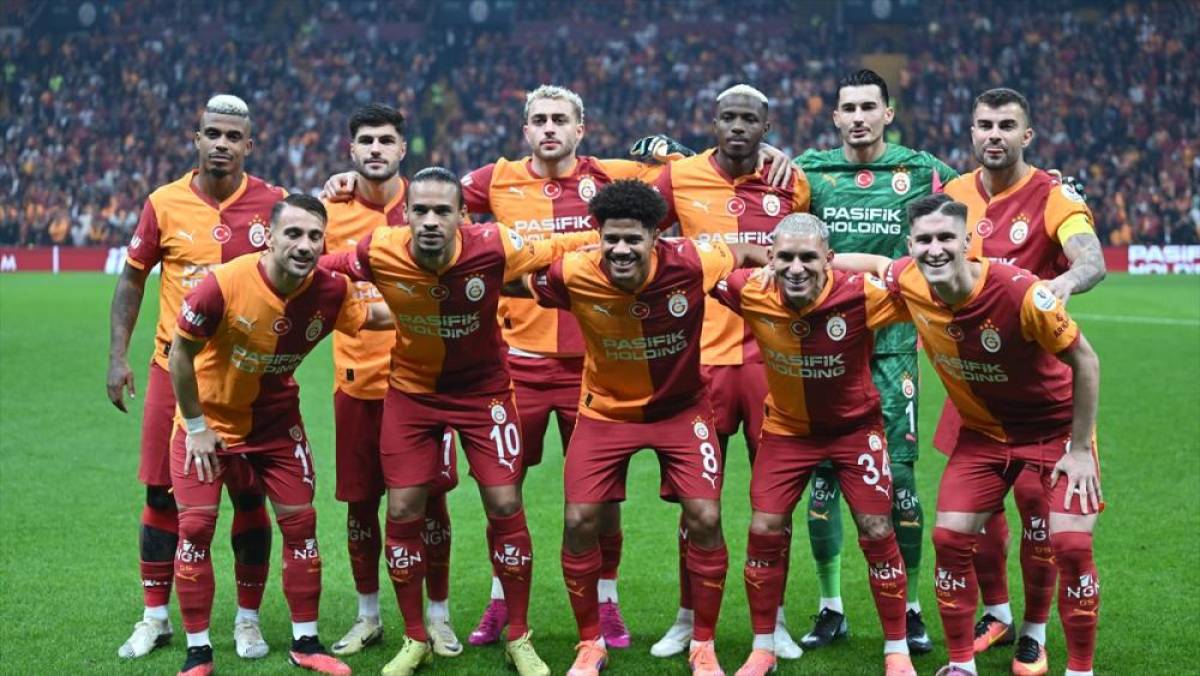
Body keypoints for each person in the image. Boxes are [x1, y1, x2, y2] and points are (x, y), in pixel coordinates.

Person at [319, 166, 599, 676]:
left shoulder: (495, 244)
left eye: (442, 211)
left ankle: (519, 637)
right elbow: (320, 264)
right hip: (412, 396)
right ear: (405, 216)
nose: (430, 220)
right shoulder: (379, 248)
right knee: (403, 508)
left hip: (483, 394)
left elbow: (559, 246)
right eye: (421, 211)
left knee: (505, 503)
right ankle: (415, 638)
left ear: (462, 216)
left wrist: (610, 234)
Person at [839, 193, 1103, 676]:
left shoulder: (1023, 293)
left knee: (1071, 547)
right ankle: (961, 664)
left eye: (946, 238)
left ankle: (1079, 669)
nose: (935, 249)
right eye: (924, 240)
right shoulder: (910, 278)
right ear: (910, 245)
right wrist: (814, 259)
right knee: (949, 538)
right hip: (983, 434)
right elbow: (875, 264)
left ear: (967, 242)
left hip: (1053, 430)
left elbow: (1086, 361)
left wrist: (1082, 449)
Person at [520, 179, 768, 676]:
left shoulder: (694, 261)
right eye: (611, 238)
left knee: (705, 517)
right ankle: (589, 643)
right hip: (605, 412)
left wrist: (777, 278)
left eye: (633, 238)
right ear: (598, 236)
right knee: (578, 521)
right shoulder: (574, 271)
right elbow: (517, 282)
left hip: (681, 411)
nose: (620, 249)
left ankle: (703, 645)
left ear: (657, 236)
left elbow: (746, 251)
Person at [168, 194, 395, 676]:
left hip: (276, 425)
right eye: (293, 233)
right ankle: (198, 652)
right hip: (209, 424)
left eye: (314, 236)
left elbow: (373, 318)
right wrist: (197, 426)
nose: (305, 245)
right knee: (196, 528)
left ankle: (306, 643)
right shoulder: (223, 284)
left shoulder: (332, 291)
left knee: (301, 525)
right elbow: (179, 354)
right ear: (268, 237)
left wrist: (431, 306)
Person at [107, 94, 283, 661]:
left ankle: (248, 621)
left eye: (233, 136)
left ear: (249, 144)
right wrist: (117, 356)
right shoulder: (164, 203)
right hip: (173, 371)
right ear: (197, 138)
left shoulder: (274, 203)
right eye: (213, 134)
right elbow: (133, 279)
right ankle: (155, 617)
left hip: (246, 379)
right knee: (161, 492)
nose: (222, 144)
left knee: (249, 496)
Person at [939, 88, 1105, 676]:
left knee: (1041, 521)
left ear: (1026, 136)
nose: (994, 135)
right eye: (985, 124)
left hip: (1040, 390)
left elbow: (1091, 258)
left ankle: (1033, 632)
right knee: (976, 519)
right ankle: (998, 613)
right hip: (975, 385)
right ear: (971, 131)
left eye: (1006, 125)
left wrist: (1063, 284)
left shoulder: (1053, 195)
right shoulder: (953, 194)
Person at [792, 69, 958, 654]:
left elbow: (984, 197)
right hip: (822, 348)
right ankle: (831, 606)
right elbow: (756, 203)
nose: (858, 117)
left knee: (901, 479)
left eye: (869, 107)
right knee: (822, 480)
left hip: (892, 348)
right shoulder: (808, 172)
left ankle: (910, 609)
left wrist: (1051, 179)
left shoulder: (922, 170)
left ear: (888, 113)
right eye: (849, 108)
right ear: (834, 116)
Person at [711, 213, 917, 676]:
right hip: (787, 432)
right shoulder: (750, 289)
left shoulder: (860, 294)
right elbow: (703, 266)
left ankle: (897, 650)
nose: (796, 267)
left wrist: (869, 263)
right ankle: (763, 647)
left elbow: (912, 277)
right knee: (765, 528)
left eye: (808, 257)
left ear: (829, 259)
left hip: (854, 430)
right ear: (770, 258)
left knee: (877, 530)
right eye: (785, 257)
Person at [650, 83, 811, 660]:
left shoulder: (792, 182)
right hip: (701, 361)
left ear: (767, 127)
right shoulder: (679, 178)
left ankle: (775, 622)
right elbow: (636, 229)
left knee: (775, 504)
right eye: (727, 117)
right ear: (713, 123)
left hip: (773, 360)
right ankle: (687, 618)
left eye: (749, 119)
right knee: (698, 504)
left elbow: (812, 257)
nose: (737, 126)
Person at [321, 104, 461, 658]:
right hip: (358, 385)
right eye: (366, 140)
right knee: (361, 505)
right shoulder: (329, 211)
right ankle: (368, 615)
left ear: (403, 148)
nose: (376, 148)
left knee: (432, 504)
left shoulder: (430, 204)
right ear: (351, 149)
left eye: (386, 140)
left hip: (427, 385)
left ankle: (438, 616)